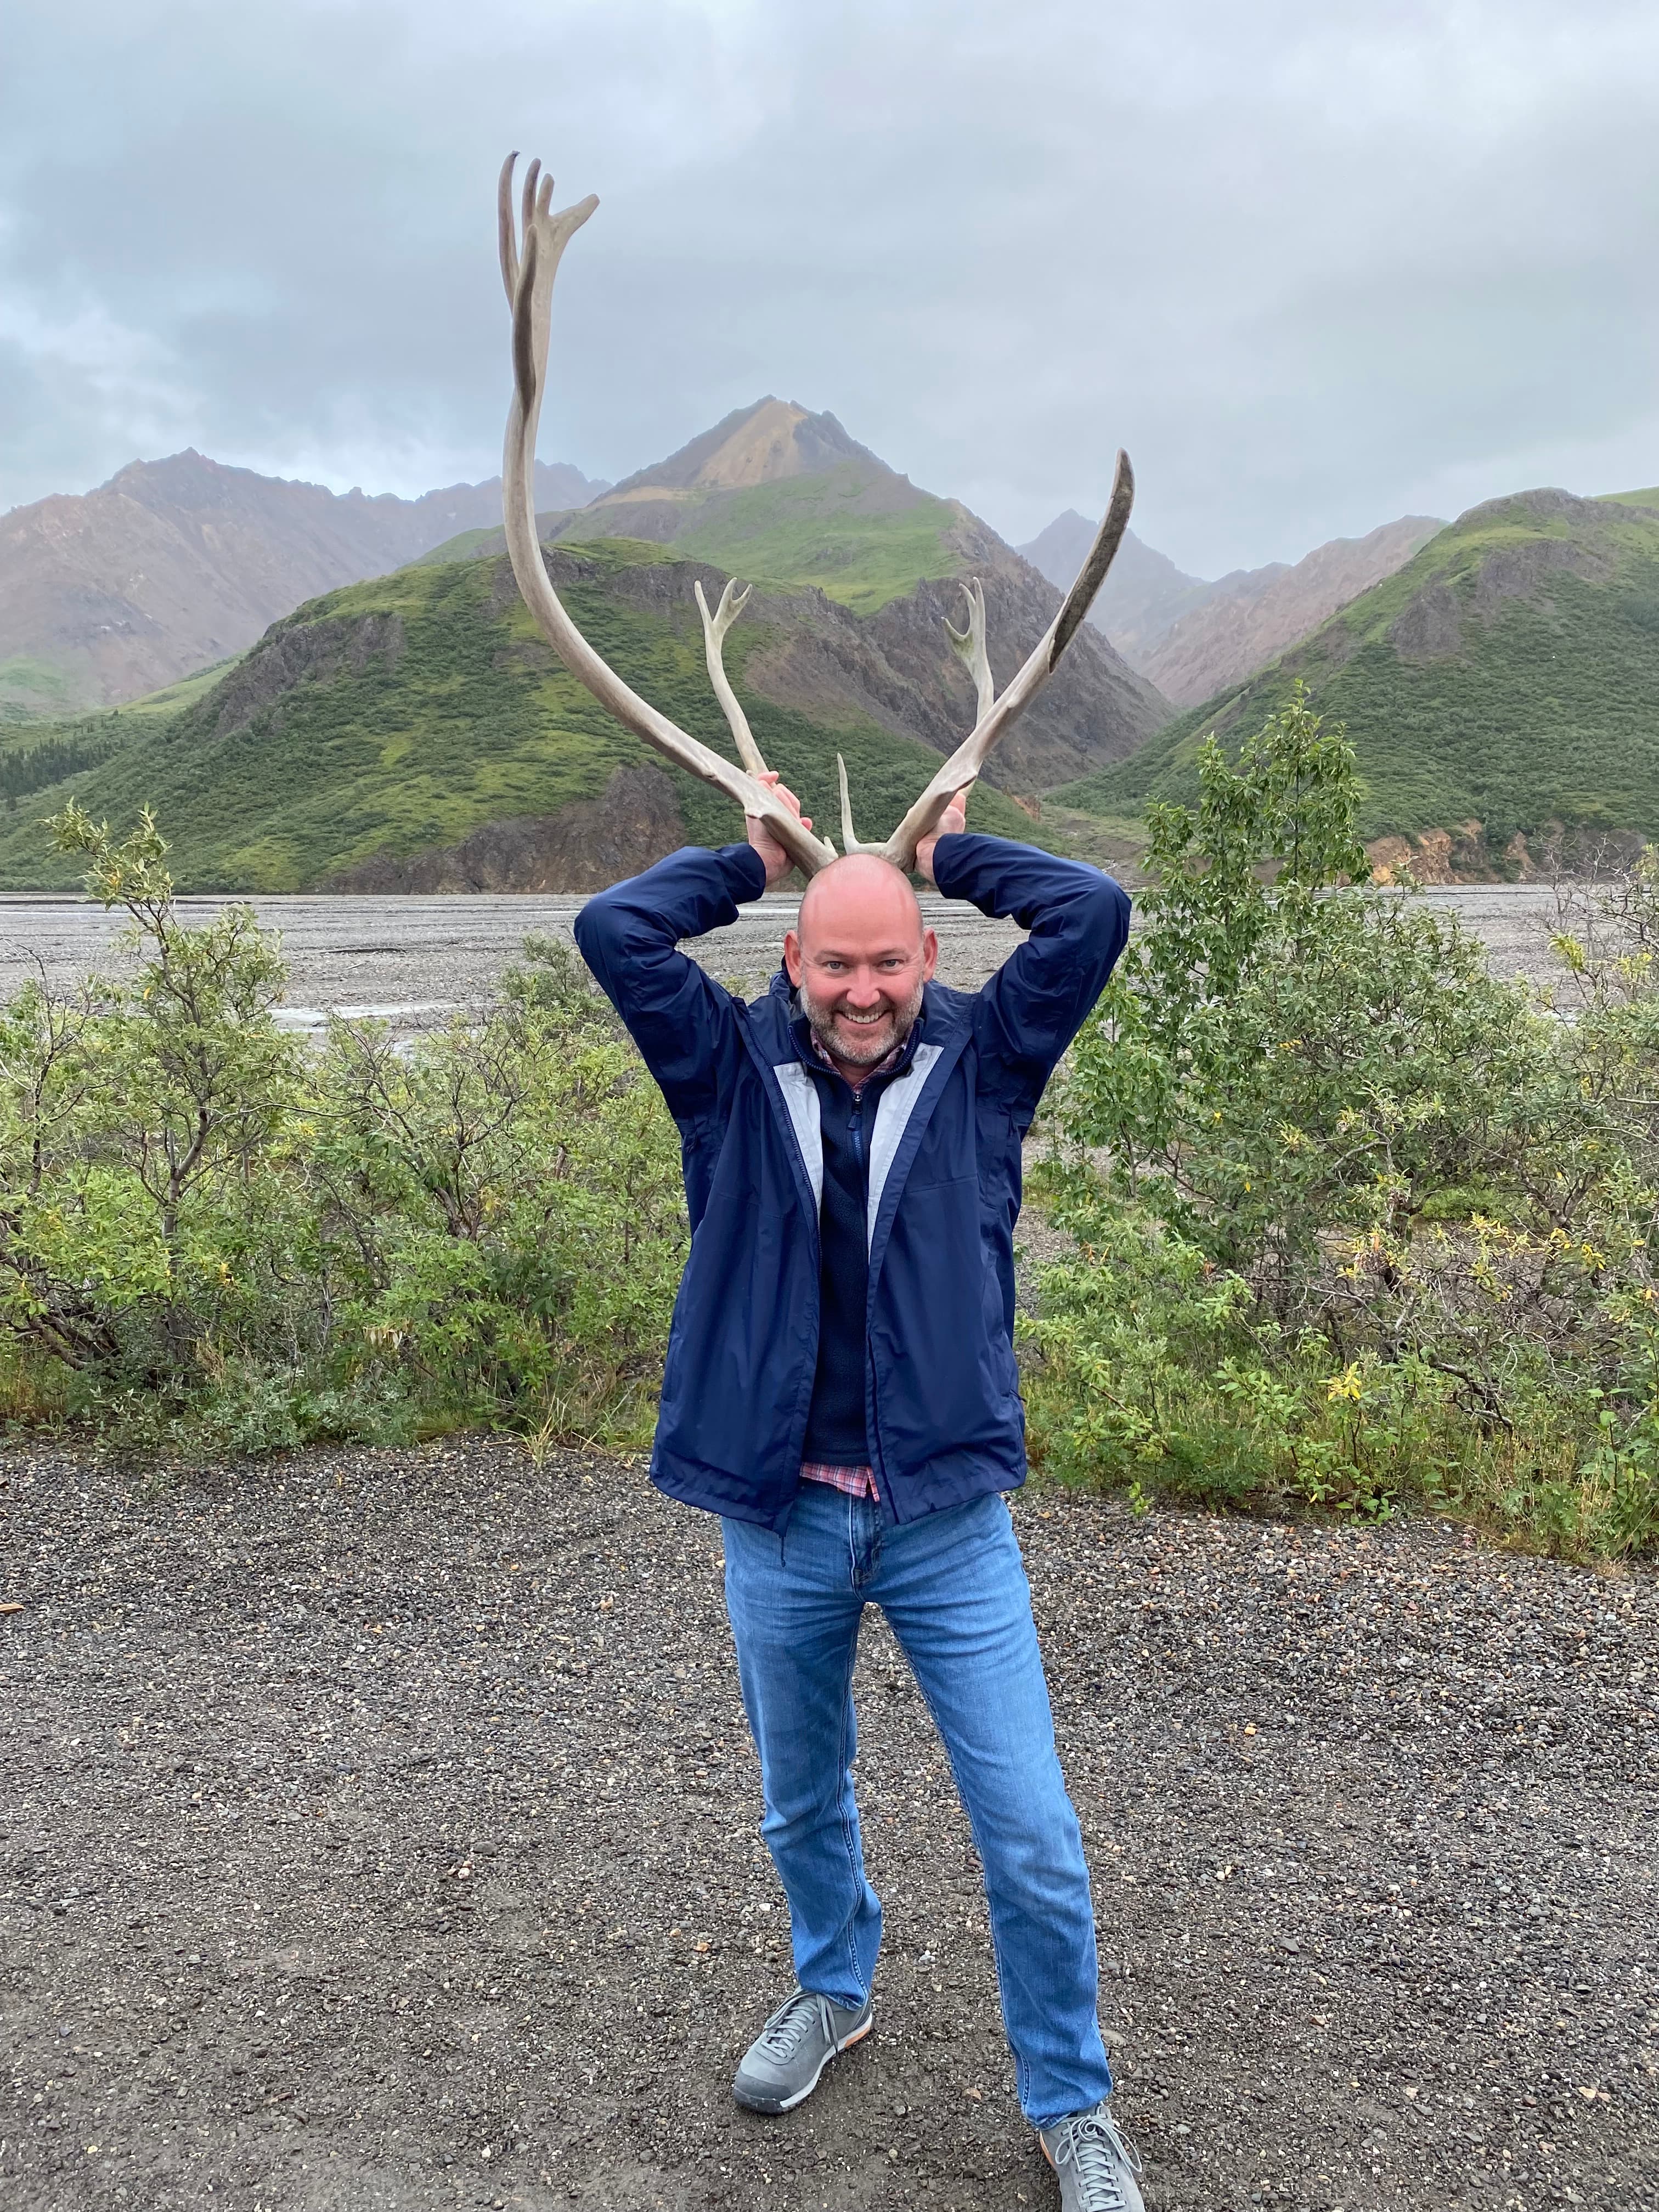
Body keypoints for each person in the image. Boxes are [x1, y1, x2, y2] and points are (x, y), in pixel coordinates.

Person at [574, 774, 1142, 2212]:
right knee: (800, 1799)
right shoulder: (723, 1070)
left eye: (890, 960)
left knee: (1027, 1824)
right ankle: (835, 1987)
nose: (865, 988)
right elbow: (614, 930)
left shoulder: (988, 1061)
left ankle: (1072, 2103)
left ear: (929, 960)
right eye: (838, 961)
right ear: (794, 963)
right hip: (782, 1516)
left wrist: (947, 853)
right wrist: (749, 858)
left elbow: (1093, 912)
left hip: (949, 1520)